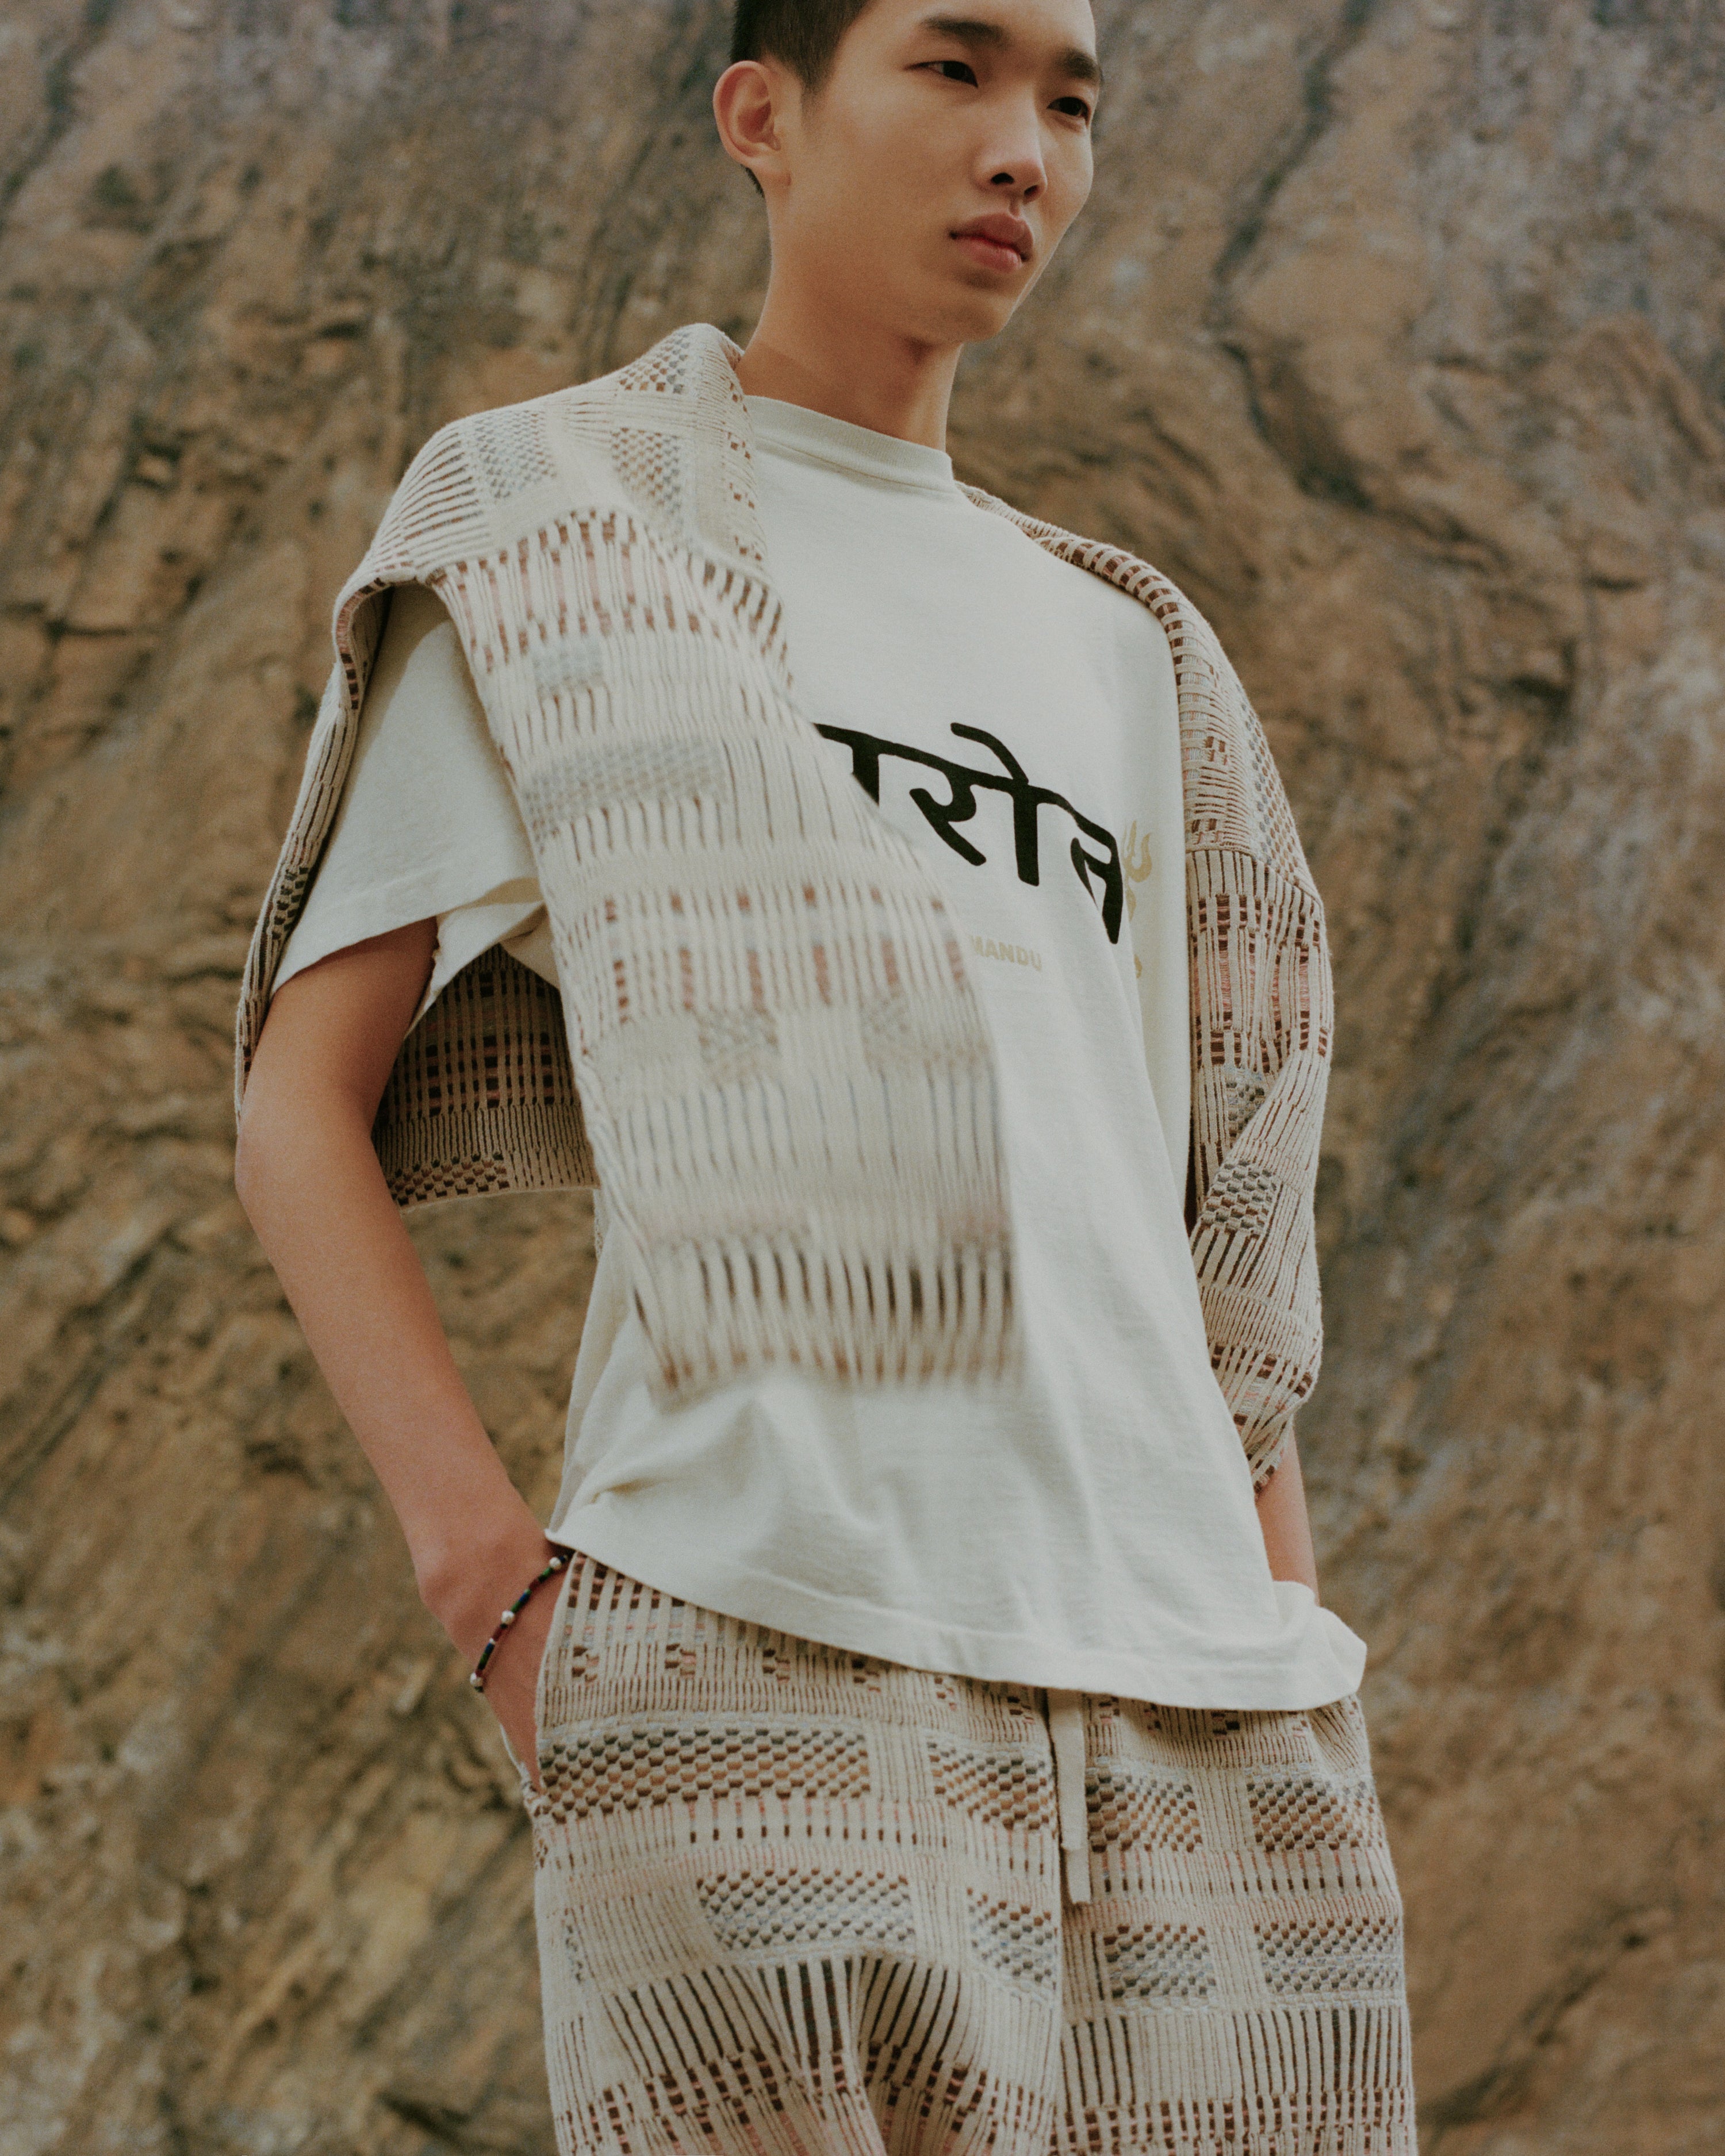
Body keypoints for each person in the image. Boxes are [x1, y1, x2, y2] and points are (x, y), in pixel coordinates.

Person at [233, 0, 1417, 2149]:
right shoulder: (563, 515)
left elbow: (1220, 1235)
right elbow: (300, 1096)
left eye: (1071, 102)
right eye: (955, 70)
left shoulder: (1134, 649)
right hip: (754, 1662)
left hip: (1207, 1732)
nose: (1025, 150)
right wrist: (495, 1591)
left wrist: (1282, 1630)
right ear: (761, 116)